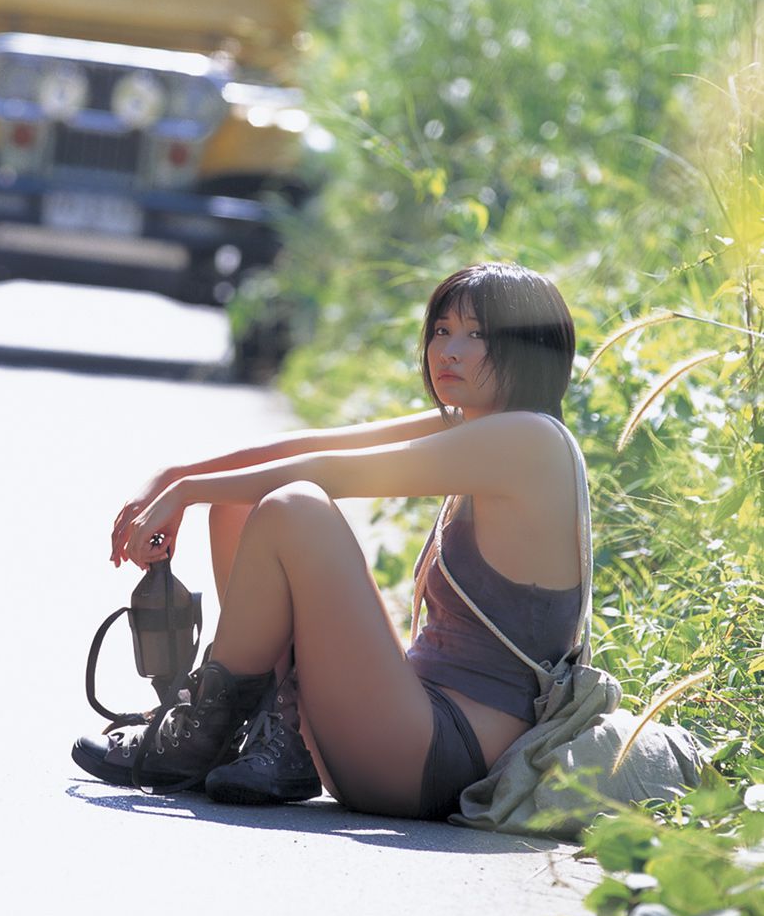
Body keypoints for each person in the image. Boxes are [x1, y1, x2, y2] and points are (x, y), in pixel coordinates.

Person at [72, 262, 582, 820]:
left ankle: (202, 737)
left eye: (476, 334)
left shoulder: (530, 440)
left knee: (295, 507)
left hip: (437, 756)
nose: (448, 351)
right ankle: (269, 734)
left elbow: (331, 472)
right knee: (238, 504)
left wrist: (185, 491)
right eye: (441, 330)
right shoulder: (479, 425)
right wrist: (175, 477)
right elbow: (299, 449)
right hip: (395, 724)